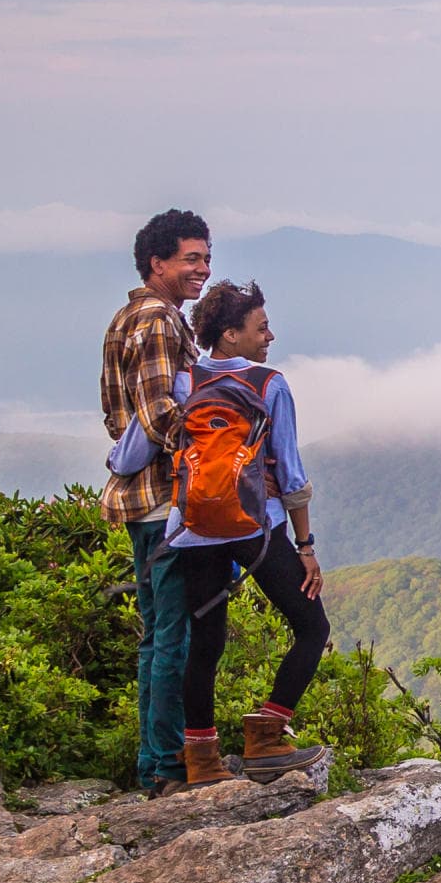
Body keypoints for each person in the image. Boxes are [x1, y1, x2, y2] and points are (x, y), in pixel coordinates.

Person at [108, 277, 330, 787]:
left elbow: (141, 443)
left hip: (192, 529)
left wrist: (116, 459)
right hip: (258, 525)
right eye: (261, 326)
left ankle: (202, 761)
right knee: (312, 627)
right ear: (230, 334)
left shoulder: (185, 382)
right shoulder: (269, 384)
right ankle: (267, 733)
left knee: (204, 642)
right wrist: (306, 545)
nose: (269, 335)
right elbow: (291, 476)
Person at [100, 208, 208, 796]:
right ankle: (165, 767)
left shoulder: (126, 317)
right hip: (166, 500)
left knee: (156, 635)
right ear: (157, 263)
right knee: (174, 635)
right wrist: (214, 450)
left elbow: (116, 415)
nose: (202, 269)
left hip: (139, 500)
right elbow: (162, 412)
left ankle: (154, 761)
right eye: (190, 258)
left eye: (206, 258)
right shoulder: (161, 321)